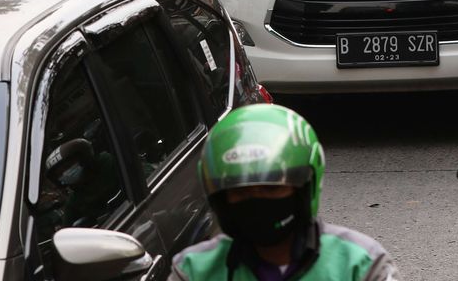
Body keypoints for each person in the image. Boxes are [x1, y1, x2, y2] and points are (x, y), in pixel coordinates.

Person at [170, 103, 400, 281]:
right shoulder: (193, 270)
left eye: (271, 189)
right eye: (241, 192)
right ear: (220, 200)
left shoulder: (360, 265)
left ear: (303, 189)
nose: (257, 203)